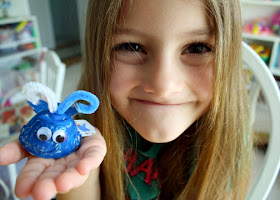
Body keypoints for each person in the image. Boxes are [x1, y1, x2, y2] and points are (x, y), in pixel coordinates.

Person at [0, 0, 253, 199]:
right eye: (131, 46)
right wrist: (81, 169)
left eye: (197, 47)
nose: (163, 86)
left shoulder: (227, 138)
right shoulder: (83, 130)